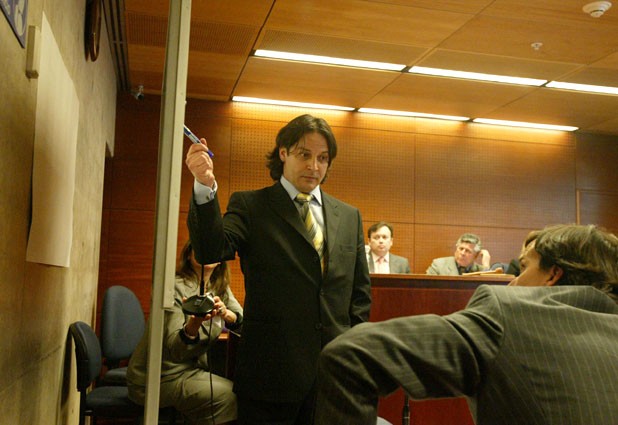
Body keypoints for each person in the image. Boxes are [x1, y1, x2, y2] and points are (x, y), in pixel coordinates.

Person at [314, 224, 618, 425]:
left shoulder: (509, 312)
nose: (513, 282)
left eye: (524, 268)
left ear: (552, 275)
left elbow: (350, 355)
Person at [185, 114, 372, 425]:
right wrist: (204, 186)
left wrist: (353, 352)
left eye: (323, 158)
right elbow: (209, 251)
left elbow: (359, 294)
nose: (314, 166)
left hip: (332, 379)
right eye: (305, 154)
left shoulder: (349, 216)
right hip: (270, 377)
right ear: (283, 152)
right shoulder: (251, 205)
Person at [127, 241, 243, 425]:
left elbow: (240, 318)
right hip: (159, 377)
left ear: (220, 260)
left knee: (238, 391)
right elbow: (176, 349)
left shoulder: (219, 287)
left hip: (189, 370)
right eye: (200, 246)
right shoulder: (173, 287)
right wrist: (194, 324)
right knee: (231, 397)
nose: (206, 251)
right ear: (189, 255)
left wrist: (227, 315)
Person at [426, 232, 491, 275]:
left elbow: (488, 288)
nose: (462, 253)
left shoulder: (481, 271)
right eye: (461, 249)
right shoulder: (439, 265)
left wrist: (486, 265)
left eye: (468, 251)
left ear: (475, 256)